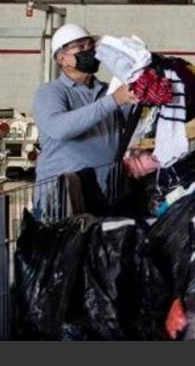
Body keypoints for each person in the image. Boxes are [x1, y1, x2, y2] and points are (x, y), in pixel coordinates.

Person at [32, 23, 138, 219]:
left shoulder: (108, 91)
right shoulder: (50, 92)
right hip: (62, 201)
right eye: (80, 47)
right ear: (62, 59)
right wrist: (114, 100)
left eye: (90, 46)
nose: (88, 51)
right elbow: (60, 128)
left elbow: (131, 125)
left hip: (104, 196)